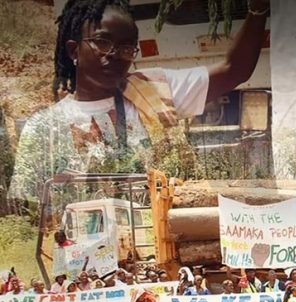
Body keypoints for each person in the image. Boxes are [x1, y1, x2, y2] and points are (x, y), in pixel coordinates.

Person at [9, 0, 270, 206]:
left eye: (126, 48)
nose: (114, 55)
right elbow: (34, 221)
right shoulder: (43, 128)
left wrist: (257, 9)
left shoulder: (155, 90)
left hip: (158, 254)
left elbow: (234, 69)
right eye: (102, 42)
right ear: (73, 50)